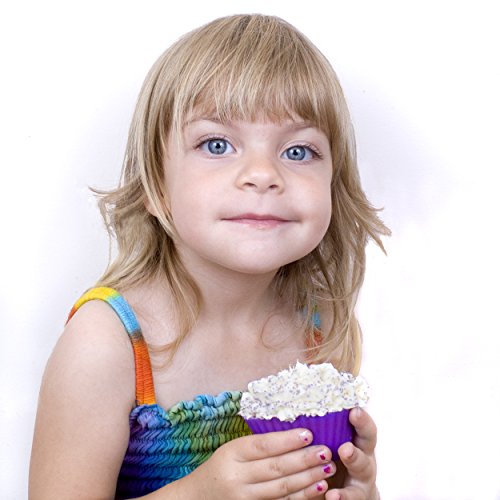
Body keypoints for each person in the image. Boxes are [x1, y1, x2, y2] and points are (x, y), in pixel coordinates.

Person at [29, 14, 389, 500]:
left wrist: (358, 490)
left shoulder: (319, 332)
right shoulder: (107, 343)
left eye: (298, 151)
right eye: (217, 144)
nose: (263, 174)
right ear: (155, 185)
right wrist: (199, 493)